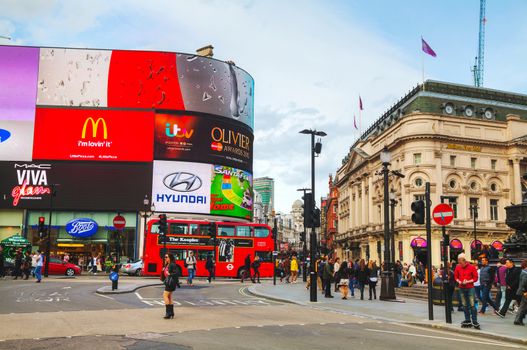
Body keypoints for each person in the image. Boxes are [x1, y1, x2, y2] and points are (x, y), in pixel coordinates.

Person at [454, 253, 480, 329]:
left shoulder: (472, 267)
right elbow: (456, 276)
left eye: (460, 261)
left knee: (472, 304)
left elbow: (476, 278)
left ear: (464, 260)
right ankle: (467, 319)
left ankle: (474, 320)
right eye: (458, 261)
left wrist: (468, 281)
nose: (459, 262)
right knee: (464, 305)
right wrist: (459, 281)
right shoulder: (458, 267)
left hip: (470, 287)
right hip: (461, 287)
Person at [160, 253, 177, 319]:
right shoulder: (167, 264)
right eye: (165, 257)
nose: (165, 258)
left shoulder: (172, 264)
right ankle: (171, 312)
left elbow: (176, 273)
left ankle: (168, 313)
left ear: (170, 258)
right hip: (168, 282)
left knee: (165, 295)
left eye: (166, 257)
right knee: (169, 297)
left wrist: (170, 273)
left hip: (171, 283)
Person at [514, 259, 527, 326]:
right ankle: (518, 320)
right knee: (523, 307)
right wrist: (525, 291)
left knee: (523, 307)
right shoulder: (525, 272)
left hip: (522, 291)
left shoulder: (523, 272)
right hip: (524, 292)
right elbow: (524, 283)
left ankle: (518, 320)